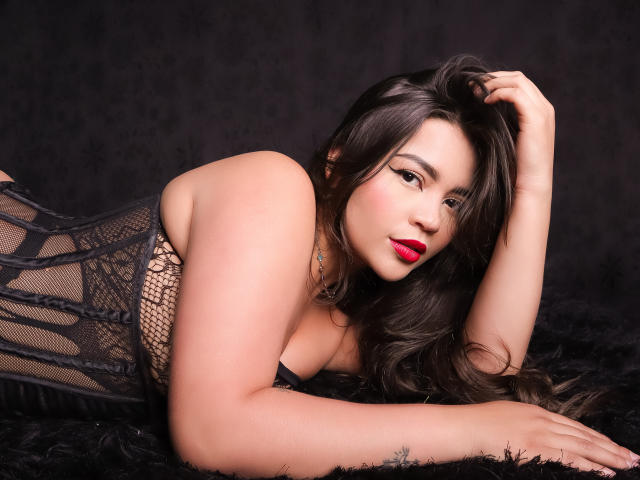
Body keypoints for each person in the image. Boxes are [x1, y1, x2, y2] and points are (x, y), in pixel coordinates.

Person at [0, 55, 636, 478]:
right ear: (338, 163)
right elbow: (213, 432)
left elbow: (487, 364)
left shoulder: (337, 324)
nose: (431, 218)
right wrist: (475, 432)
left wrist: (534, 185)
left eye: (454, 203)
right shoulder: (273, 188)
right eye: (410, 177)